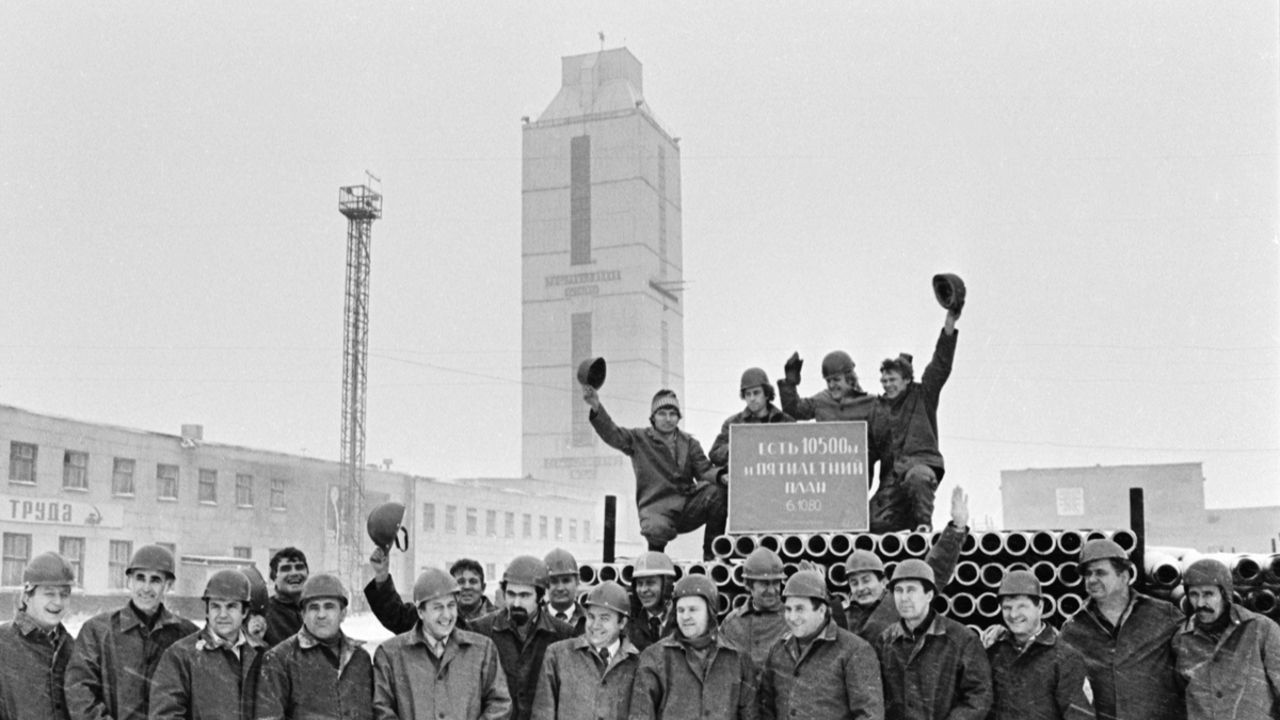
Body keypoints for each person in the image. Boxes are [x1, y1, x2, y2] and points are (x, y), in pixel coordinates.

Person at [584, 386, 725, 560]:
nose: (668, 419)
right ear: (653, 417)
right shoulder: (639, 438)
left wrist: (721, 476)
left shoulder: (689, 443)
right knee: (655, 530)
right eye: (662, 413)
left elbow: (704, 470)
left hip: (687, 506)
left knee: (718, 493)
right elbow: (613, 434)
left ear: (678, 417)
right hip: (656, 507)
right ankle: (656, 563)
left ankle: (713, 556)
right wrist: (597, 407)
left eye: (672, 414)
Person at [66, 544, 199, 720]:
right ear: (129, 581)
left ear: (168, 585)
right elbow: (79, 690)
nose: (146, 588)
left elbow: (200, 696)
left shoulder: (187, 634)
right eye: (140, 578)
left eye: (155, 580)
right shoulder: (97, 631)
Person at [1059, 538, 1184, 720]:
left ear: (1124, 577)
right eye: (1088, 574)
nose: (1092, 580)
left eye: (1100, 573)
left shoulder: (1164, 616)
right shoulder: (1073, 630)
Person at [866, 306, 960, 533]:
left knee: (917, 479)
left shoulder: (923, 394)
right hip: (891, 478)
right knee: (870, 520)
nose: (887, 385)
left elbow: (940, 365)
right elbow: (868, 454)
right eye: (884, 381)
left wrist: (949, 325)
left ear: (907, 379)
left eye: (892, 380)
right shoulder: (877, 411)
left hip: (920, 467)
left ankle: (923, 527)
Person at [373, 568, 511, 720]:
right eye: (437, 607)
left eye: (451, 605)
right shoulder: (390, 654)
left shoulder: (483, 649)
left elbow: (499, 703)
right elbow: (382, 710)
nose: (446, 615)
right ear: (420, 612)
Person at [844, 486, 970, 643]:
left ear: (883, 582)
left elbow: (934, 568)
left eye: (866, 580)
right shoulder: (843, 616)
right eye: (854, 583)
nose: (861, 588)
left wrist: (957, 528)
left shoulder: (896, 603)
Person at [876, 559, 992, 720]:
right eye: (898, 590)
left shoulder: (962, 640)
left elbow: (979, 695)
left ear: (929, 595)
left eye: (911, 590)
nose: (903, 598)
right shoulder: (885, 641)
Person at [629, 575, 758, 720]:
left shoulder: (738, 659)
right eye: (680, 610)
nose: (685, 616)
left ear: (711, 612)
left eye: (693, 609)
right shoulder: (655, 657)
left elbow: (750, 715)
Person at [759, 570, 883, 720]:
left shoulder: (854, 651)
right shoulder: (778, 651)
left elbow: (869, 714)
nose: (792, 617)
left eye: (800, 609)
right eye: (788, 609)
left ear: (821, 611)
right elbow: (766, 710)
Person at [1171, 557, 1280, 720]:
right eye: (1194, 594)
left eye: (1208, 594)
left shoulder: (1261, 629)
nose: (1200, 603)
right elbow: (1180, 698)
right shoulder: (1182, 640)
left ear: (1225, 594)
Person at [149, 569, 266, 720]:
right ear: (207, 611)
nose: (223, 614)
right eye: (216, 606)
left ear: (244, 612)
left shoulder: (263, 654)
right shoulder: (181, 655)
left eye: (231, 606)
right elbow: (164, 715)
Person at [467, 555, 574, 720]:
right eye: (510, 594)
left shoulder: (563, 635)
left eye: (524, 595)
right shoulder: (481, 630)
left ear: (541, 596)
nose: (516, 603)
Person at [257, 574, 374, 720]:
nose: (321, 615)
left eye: (329, 606)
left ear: (343, 614)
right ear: (303, 614)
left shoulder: (360, 658)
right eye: (313, 608)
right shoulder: (280, 659)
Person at [981, 570, 1094, 720]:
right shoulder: (993, 653)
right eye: (1007, 607)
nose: (1013, 614)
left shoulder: (1067, 659)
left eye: (1022, 606)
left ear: (1039, 607)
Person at [532, 581, 641, 720]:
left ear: (622, 623)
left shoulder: (638, 663)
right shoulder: (557, 655)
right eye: (591, 616)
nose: (595, 625)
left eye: (604, 618)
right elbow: (542, 714)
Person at [0, 552, 76, 720]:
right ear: (28, 596)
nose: (58, 602)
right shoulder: (3, 643)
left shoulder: (74, 649)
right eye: (49, 593)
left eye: (64, 594)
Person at [365, 553, 496, 634]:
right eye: (461, 582)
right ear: (451, 589)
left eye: (473, 581)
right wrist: (381, 576)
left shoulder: (499, 622)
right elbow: (396, 616)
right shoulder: (432, 616)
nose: (467, 587)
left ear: (483, 587)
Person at [708, 368, 794, 471]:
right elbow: (714, 454)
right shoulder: (733, 423)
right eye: (748, 394)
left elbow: (799, 454)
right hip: (747, 481)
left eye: (756, 393)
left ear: (766, 394)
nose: (752, 398)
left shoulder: (786, 421)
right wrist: (734, 446)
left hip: (778, 478)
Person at [776, 351, 877, 423]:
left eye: (836, 380)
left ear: (850, 379)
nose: (831, 385)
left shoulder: (871, 404)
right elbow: (793, 411)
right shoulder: (821, 401)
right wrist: (789, 384)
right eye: (828, 381)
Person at [626, 552, 679, 652]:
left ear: (666, 586)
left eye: (650, 583)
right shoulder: (629, 626)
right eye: (639, 583)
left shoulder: (682, 622)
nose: (643, 590)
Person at [264, 547, 310, 647]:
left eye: (299, 567)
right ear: (274, 577)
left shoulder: (316, 609)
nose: (294, 573)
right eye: (285, 569)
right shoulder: (267, 614)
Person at [545, 549, 586, 636]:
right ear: (544, 583)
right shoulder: (533, 621)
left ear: (577, 581)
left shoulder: (590, 622)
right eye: (554, 581)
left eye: (566, 580)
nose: (560, 588)